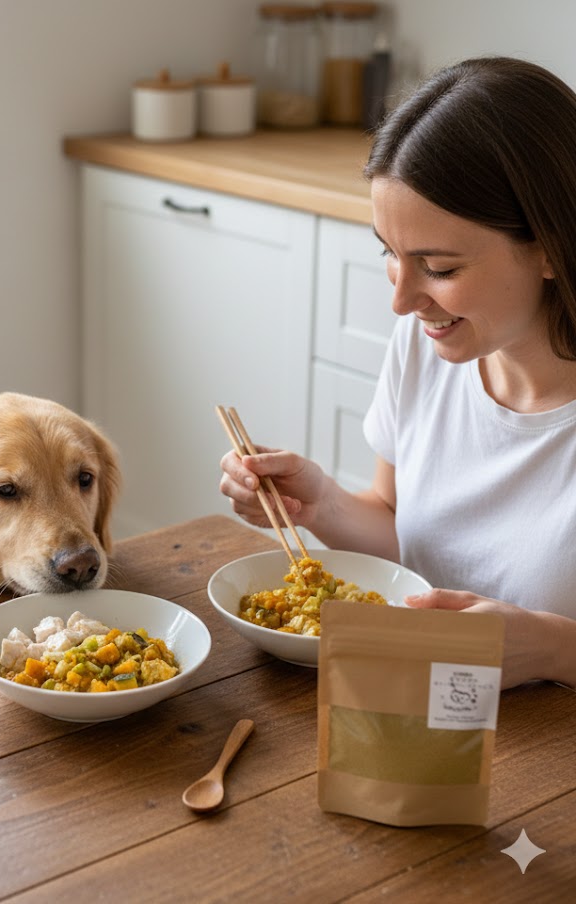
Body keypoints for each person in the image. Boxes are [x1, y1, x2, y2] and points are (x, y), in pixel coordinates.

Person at [219, 56, 576, 691]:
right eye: (389, 253)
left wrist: (555, 650)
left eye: (438, 267)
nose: (402, 301)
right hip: (424, 715)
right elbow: (403, 536)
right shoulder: (431, 344)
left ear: (549, 246)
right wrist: (320, 502)